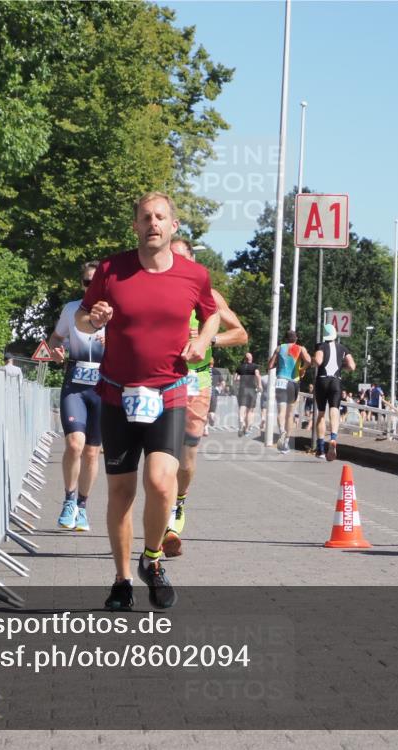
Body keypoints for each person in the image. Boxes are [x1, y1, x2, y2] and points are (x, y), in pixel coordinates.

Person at [75, 192, 219, 609]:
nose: (152, 223)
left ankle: (152, 559)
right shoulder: (111, 269)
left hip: (170, 391)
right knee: (121, 493)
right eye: (145, 217)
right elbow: (84, 317)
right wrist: (94, 319)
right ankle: (121, 581)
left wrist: (204, 340)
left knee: (160, 483)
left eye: (160, 217)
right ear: (135, 226)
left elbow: (210, 313)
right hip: (118, 394)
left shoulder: (194, 275)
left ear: (173, 226)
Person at [163, 237, 247, 558]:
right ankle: (168, 522)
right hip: (162, 381)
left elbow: (240, 333)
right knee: (163, 454)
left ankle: (180, 500)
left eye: (182, 260)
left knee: (185, 460)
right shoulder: (155, 290)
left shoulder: (208, 295)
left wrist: (209, 340)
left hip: (196, 382)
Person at [47, 262, 106, 533]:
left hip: (104, 389)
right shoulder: (72, 309)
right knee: (74, 444)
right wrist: (56, 352)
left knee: (92, 453)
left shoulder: (117, 313)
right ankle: (69, 500)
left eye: (96, 282)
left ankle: (82, 507)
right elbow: (56, 339)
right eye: (86, 282)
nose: (90, 286)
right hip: (75, 386)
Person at [314, 323, 356, 460]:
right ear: (335, 335)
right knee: (334, 409)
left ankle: (320, 449)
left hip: (322, 380)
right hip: (336, 381)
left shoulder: (320, 346)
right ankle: (333, 437)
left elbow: (319, 361)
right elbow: (352, 366)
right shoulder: (342, 348)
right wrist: (341, 366)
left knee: (321, 413)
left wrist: (313, 361)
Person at [266, 330, 311, 452]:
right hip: (293, 382)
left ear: (285, 339)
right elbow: (309, 361)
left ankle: (281, 430)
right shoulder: (300, 348)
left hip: (280, 380)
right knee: (290, 414)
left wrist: (278, 365)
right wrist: (302, 369)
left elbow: (269, 366)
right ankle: (286, 442)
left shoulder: (279, 348)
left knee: (281, 411)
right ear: (296, 339)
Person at [234, 352, 261, 436]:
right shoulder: (254, 366)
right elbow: (257, 375)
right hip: (252, 390)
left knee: (242, 407)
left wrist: (236, 387)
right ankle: (247, 429)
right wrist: (259, 385)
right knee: (250, 411)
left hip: (242, 389)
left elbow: (235, 379)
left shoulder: (240, 367)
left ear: (245, 359)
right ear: (251, 359)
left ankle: (241, 421)